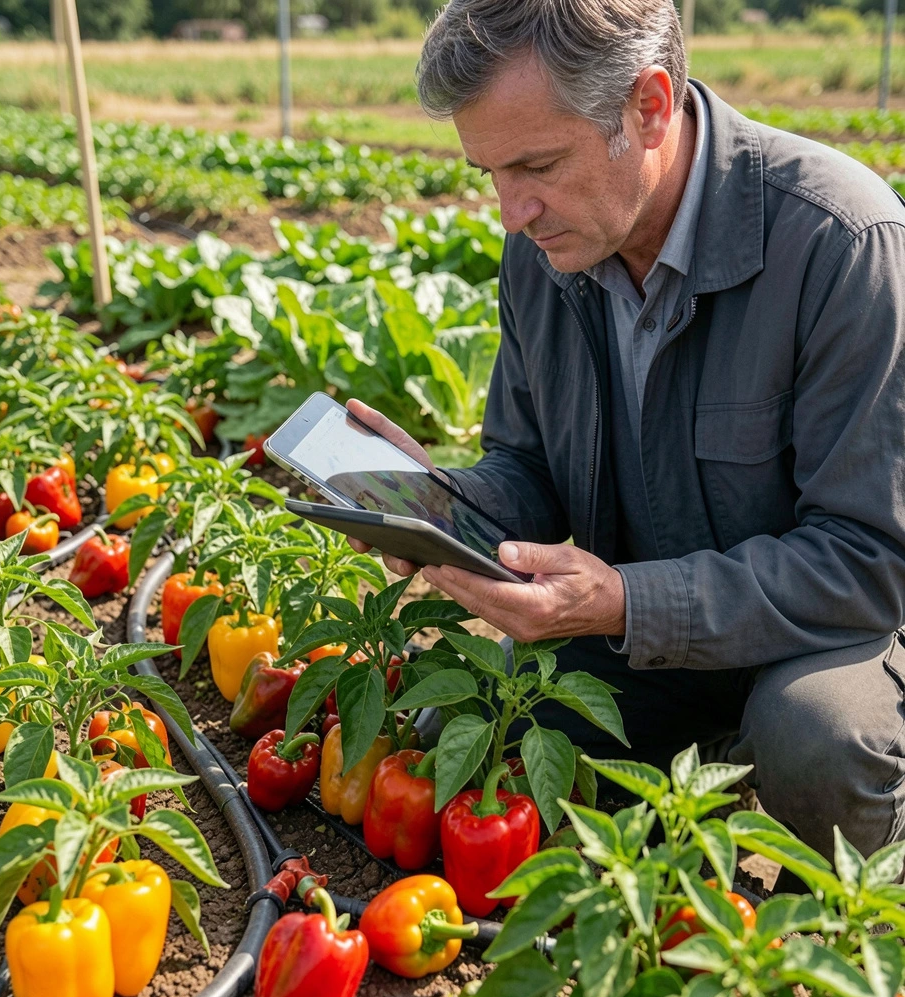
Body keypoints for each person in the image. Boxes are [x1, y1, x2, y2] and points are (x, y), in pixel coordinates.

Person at [346, 0, 905, 866]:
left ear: (649, 107)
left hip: (836, 642)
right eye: (488, 172)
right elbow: (530, 464)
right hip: (652, 638)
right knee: (459, 724)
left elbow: (871, 561)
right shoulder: (546, 248)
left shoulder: (841, 242)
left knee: (817, 739)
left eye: (535, 164)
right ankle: (715, 771)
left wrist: (627, 602)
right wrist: (446, 506)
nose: (512, 211)